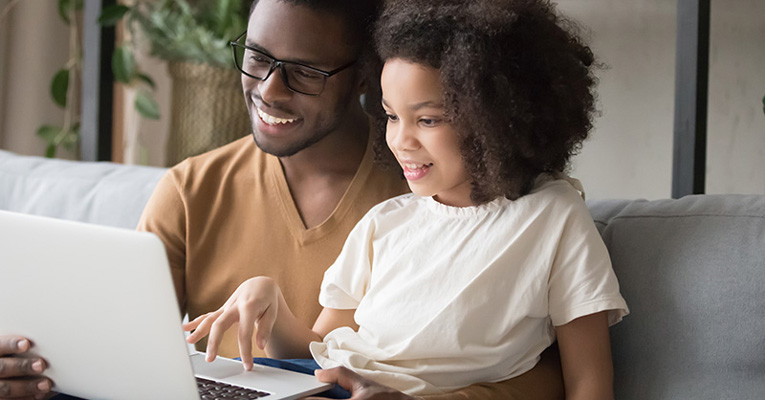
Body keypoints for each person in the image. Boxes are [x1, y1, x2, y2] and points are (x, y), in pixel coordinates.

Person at [0, 0, 566, 399]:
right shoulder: (191, 190)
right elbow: (113, 348)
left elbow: (545, 374)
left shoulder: (438, 190)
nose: (270, 88)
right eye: (257, 56)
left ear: (368, 74)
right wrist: (35, 365)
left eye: (306, 72)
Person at [186, 0, 629, 398]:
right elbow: (318, 352)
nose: (400, 139)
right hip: (320, 383)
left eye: (428, 119)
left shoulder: (553, 216)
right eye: (392, 116)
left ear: (498, 116)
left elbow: (588, 379)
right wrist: (269, 303)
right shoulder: (387, 221)